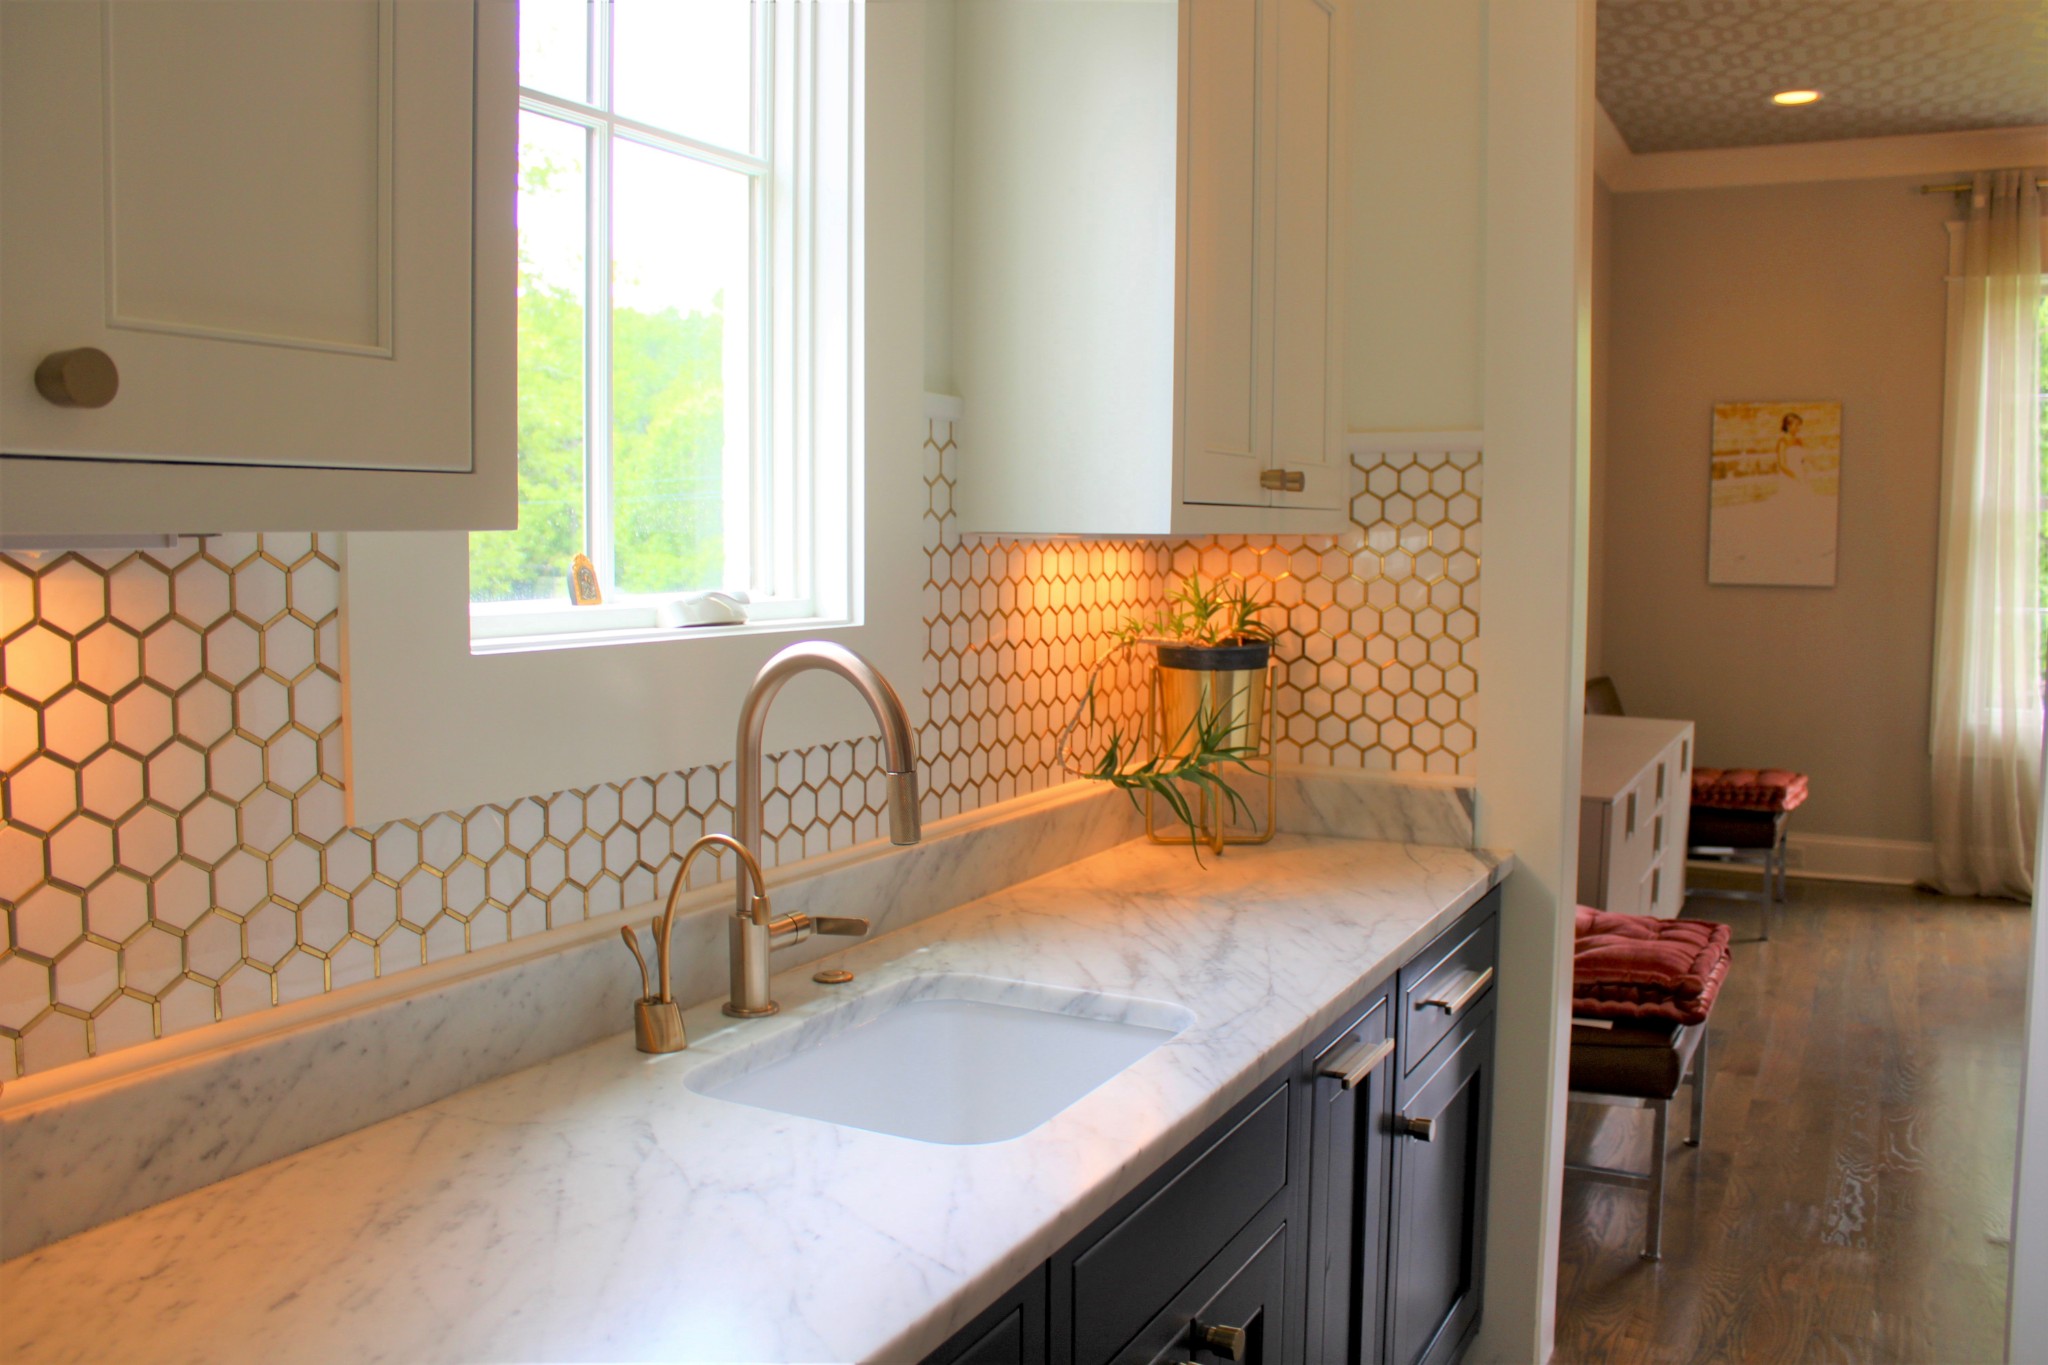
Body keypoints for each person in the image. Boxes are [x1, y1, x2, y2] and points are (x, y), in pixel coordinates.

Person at [1772, 411, 1806, 480]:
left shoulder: (1799, 441)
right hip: (1788, 476)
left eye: (1800, 425)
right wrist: (1795, 476)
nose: (1799, 427)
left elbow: (1802, 460)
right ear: (1788, 426)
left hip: (1801, 473)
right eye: (1796, 425)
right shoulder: (1783, 442)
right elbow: (1782, 464)